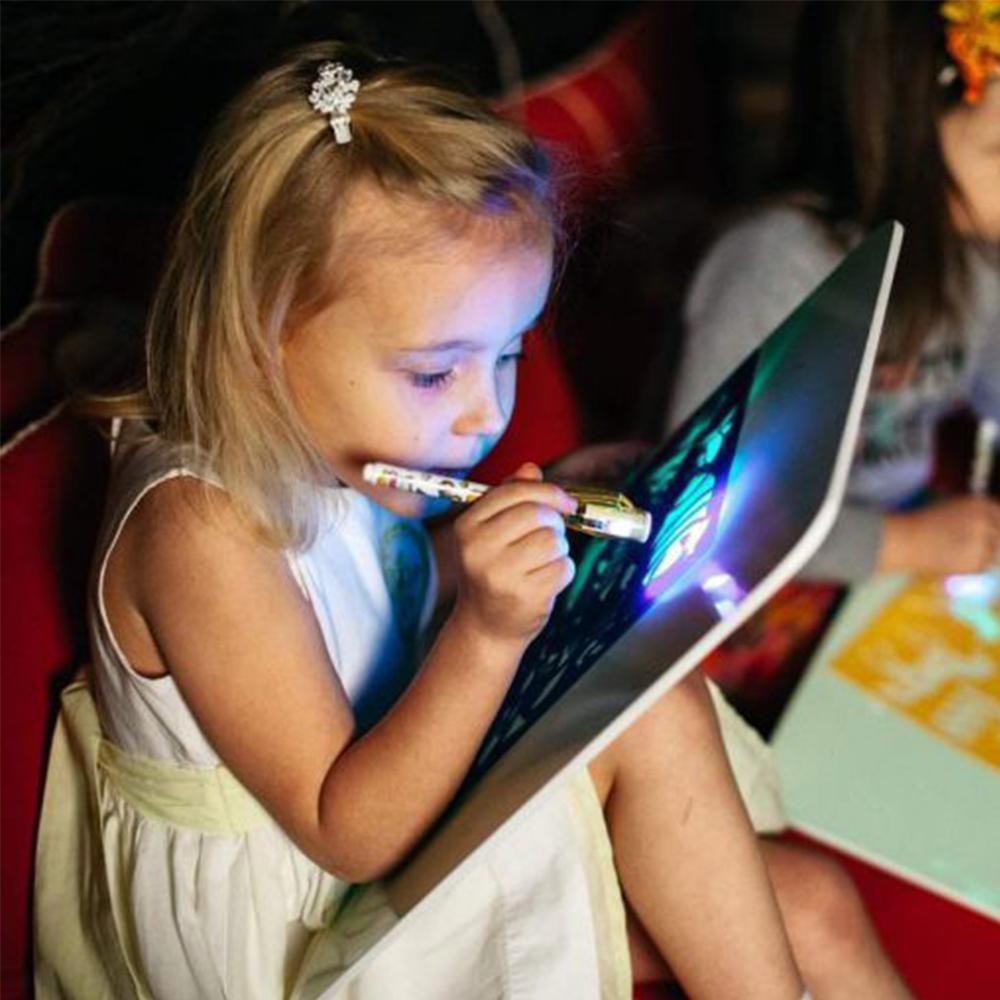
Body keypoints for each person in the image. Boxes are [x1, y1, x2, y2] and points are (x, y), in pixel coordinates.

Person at [33, 42, 908, 1000]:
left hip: (393, 856)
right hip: (296, 943)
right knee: (650, 711)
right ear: (257, 337)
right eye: (433, 372)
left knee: (816, 904)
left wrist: (519, 525)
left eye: (510, 354)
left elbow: (368, 595)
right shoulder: (200, 528)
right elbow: (345, 830)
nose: (485, 416)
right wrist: (490, 631)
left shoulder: (339, 447)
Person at [665, 0, 1000, 583]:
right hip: (747, 585)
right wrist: (900, 545)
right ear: (908, 135)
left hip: (903, 540)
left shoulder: (977, 253)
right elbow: (697, 512)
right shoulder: (776, 265)